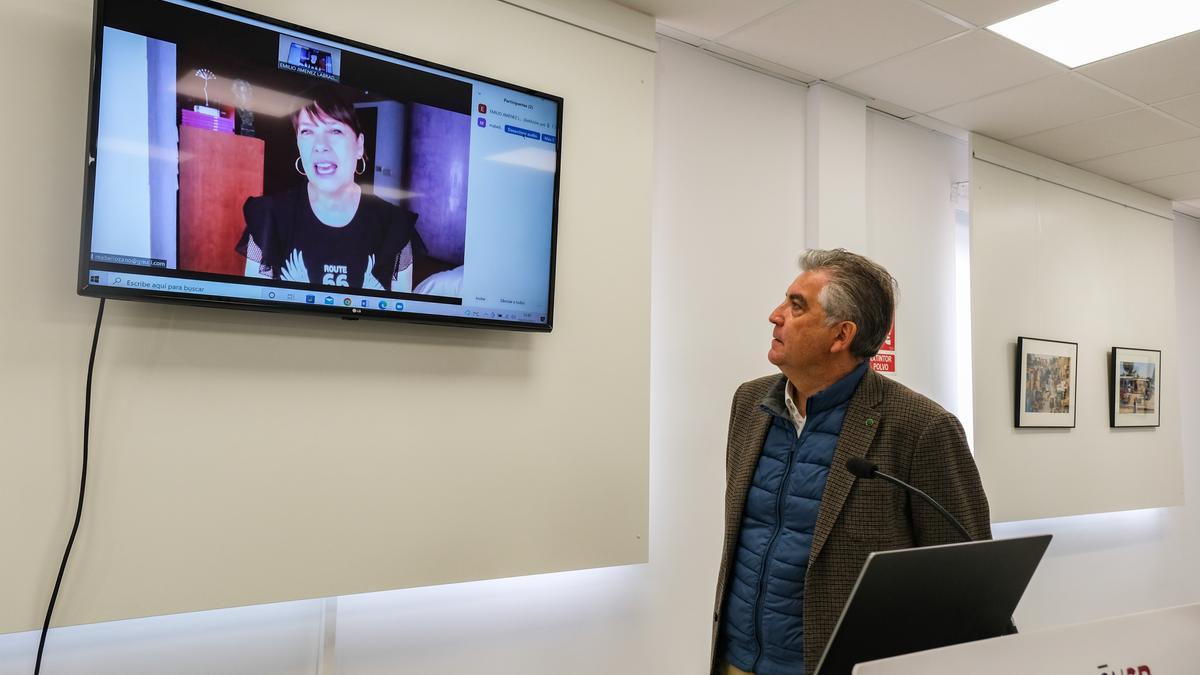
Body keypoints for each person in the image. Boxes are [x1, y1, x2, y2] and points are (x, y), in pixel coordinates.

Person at [711, 249, 991, 675]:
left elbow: (968, 581)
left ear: (841, 336)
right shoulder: (749, 402)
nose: (775, 315)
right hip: (738, 661)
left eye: (796, 305)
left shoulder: (921, 427)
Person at [236, 85, 422, 292]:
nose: (320, 145)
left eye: (334, 130)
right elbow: (255, 305)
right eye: (307, 131)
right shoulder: (268, 217)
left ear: (359, 145)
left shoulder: (395, 226)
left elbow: (397, 316)